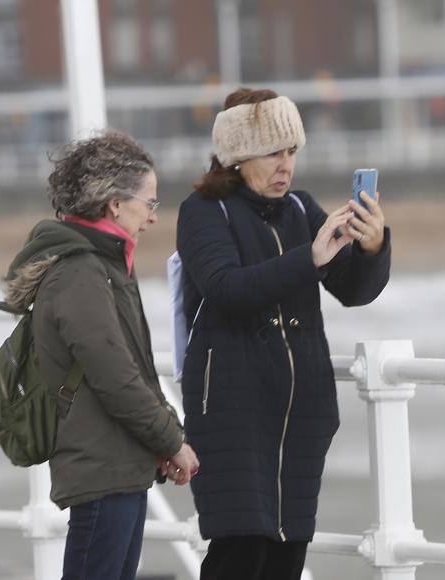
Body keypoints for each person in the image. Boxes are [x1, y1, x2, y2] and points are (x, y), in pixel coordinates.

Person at [175, 88, 391, 580]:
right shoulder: (204, 212)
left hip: (300, 410)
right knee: (240, 551)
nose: (285, 165)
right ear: (236, 156)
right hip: (231, 409)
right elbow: (226, 288)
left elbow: (351, 290)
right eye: (273, 151)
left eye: (292, 151)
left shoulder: (301, 208)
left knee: (286, 554)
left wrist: (372, 248)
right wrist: (308, 257)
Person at [0, 131, 199, 580]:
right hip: (102, 472)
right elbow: (117, 378)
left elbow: (136, 370)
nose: (152, 217)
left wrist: (162, 441)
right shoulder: (81, 274)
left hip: (121, 466)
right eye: (149, 203)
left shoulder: (106, 268)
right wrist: (171, 441)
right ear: (114, 204)